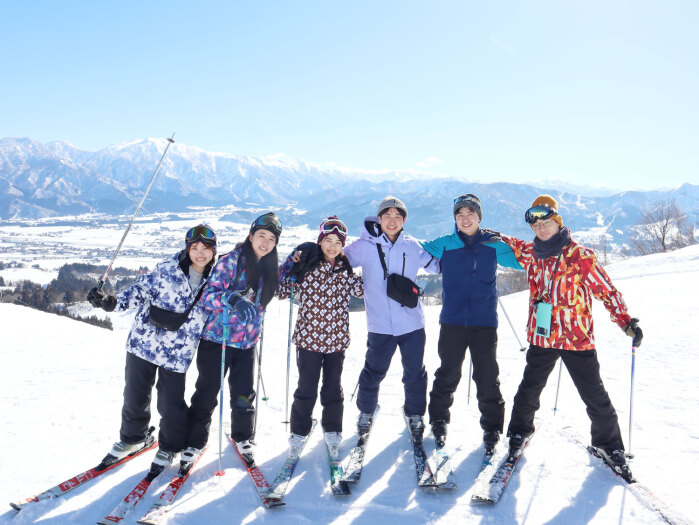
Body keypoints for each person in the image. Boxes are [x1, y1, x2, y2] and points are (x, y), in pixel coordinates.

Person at [502, 195, 643, 472]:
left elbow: (606, 291)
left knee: (593, 394)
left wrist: (625, 321)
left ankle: (609, 445)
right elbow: (511, 243)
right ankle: (519, 432)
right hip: (542, 336)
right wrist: (485, 233)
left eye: (546, 223)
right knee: (529, 389)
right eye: (536, 225)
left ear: (558, 222)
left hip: (576, 338)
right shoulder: (531, 253)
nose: (541, 228)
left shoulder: (579, 255)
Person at [87, 224, 217, 467]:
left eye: (206, 248)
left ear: (214, 251)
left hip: (178, 352)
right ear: (187, 249)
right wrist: (110, 302)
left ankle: (170, 446)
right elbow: (139, 291)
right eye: (195, 248)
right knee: (135, 396)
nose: (200, 253)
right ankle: (133, 439)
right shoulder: (167, 270)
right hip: (144, 342)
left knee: (170, 402)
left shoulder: (216, 281)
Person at [421, 194, 521, 453]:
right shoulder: (445, 244)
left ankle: (492, 428)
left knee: (487, 376)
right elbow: (411, 250)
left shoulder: (493, 244)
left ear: (479, 217)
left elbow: (524, 261)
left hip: (484, 322)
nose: (465, 219)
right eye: (460, 214)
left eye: (471, 214)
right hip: (452, 322)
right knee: (448, 373)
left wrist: (509, 240)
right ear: (455, 218)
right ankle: (439, 420)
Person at [183, 212, 282, 467]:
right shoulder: (232, 261)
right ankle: (194, 441)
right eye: (261, 236)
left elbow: (280, 289)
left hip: (247, 343)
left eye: (271, 239)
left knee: (244, 394)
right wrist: (231, 298)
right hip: (218, 340)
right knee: (206, 392)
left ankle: (243, 437)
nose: (265, 242)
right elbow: (208, 296)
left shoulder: (269, 268)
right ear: (250, 237)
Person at [343, 196, 440, 440]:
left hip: (412, 324)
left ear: (404, 220)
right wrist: (307, 254)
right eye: (387, 215)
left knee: (414, 373)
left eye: (398, 216)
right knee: (373, 372)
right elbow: (335, 258)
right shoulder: (365, 246)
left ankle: (415, 414)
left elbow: (437, 266)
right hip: (380, 326)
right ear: (379, 219)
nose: (392, 220)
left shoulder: (413, 246)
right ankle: (366, 412)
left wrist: (466, 255)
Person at [278, 216, 364, 458]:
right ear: (320, 241)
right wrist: (290, 265)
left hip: (336, 342)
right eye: (328, 240)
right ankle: (298, 432)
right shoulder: (308, 267)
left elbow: (362, 290)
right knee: (306, 388)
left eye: (338, 242)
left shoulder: (345, 269)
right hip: (309, 341)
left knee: (333, 388)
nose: (333, 246)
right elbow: (282, 291)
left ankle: (333, 430)